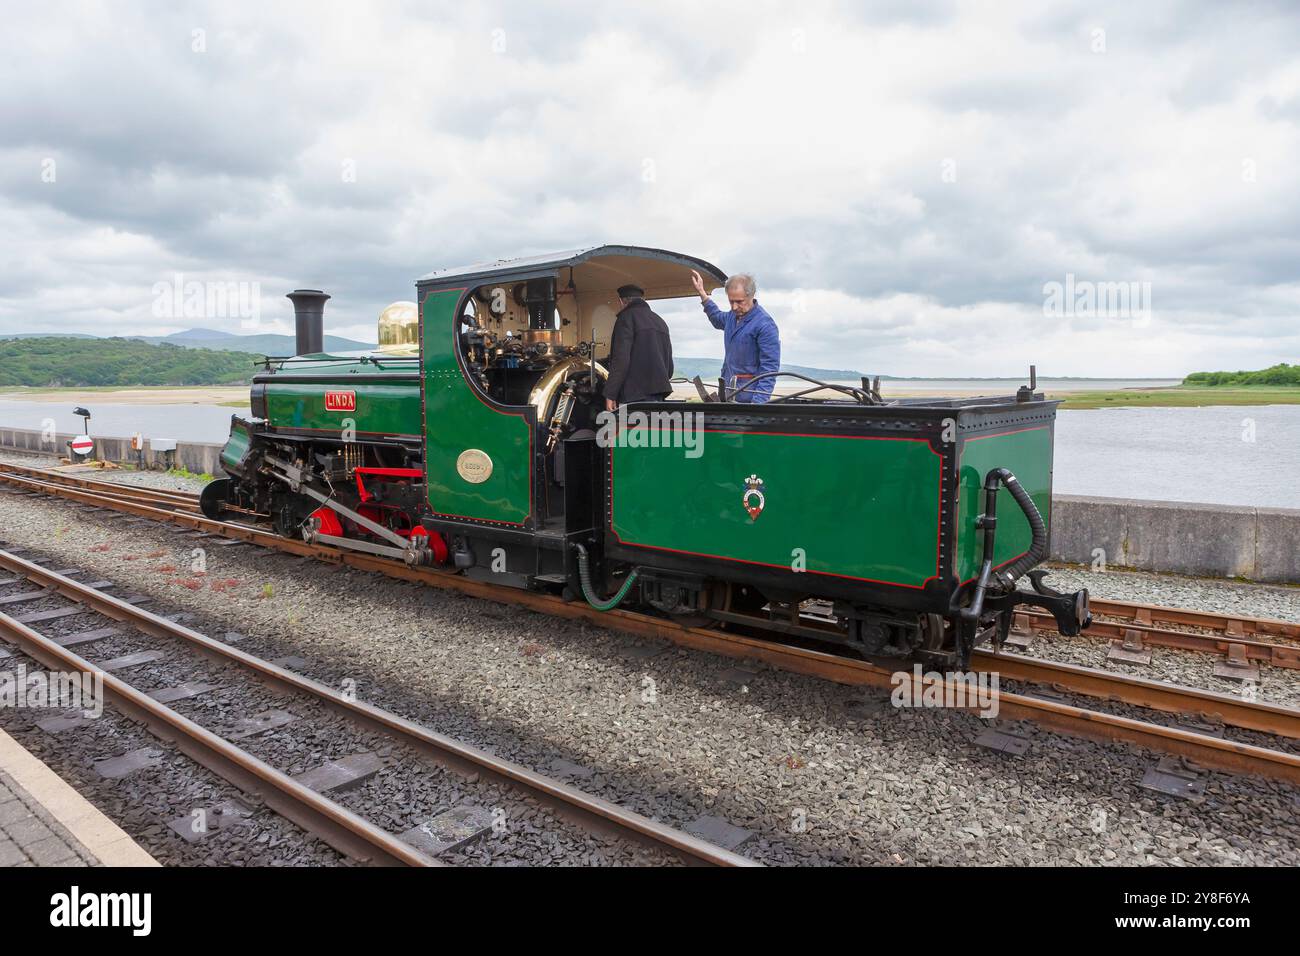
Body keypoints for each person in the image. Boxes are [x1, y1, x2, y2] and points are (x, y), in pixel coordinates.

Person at [689, 270, 780, 403]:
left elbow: (769, 369)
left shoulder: (765, 325)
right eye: (731, 302)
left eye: (739, 301)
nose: (734, 307)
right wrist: (703, 294)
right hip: (727, 394)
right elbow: (716, 318)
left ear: (751, 295)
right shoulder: (732, 317)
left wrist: (758, 404)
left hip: (748, 398)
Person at [603, 284, 674, 410]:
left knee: (631, 430)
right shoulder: (660, 322)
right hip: (658, 396)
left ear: (621, 301)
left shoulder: (626, 318)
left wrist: (610, 394)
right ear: (643, 300)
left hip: (633, 396)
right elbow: (669, 369)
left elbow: (621, 360)